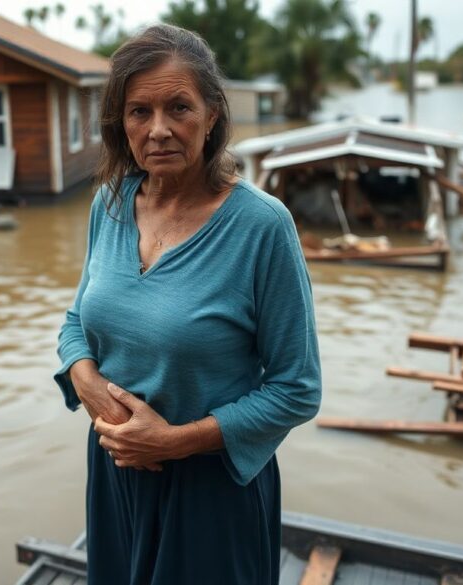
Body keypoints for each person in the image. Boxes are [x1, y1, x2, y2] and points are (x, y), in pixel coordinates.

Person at [53, 24, 321, 585]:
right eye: (138, 112)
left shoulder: (261, 226)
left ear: (214, 114)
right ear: (119, 123)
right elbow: (79, 318)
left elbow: (297, 388)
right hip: (115, 472)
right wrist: (86, 382)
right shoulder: (111, 203)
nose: (158, 131)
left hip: (209, 489)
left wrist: (175, 441)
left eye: (179, 107)